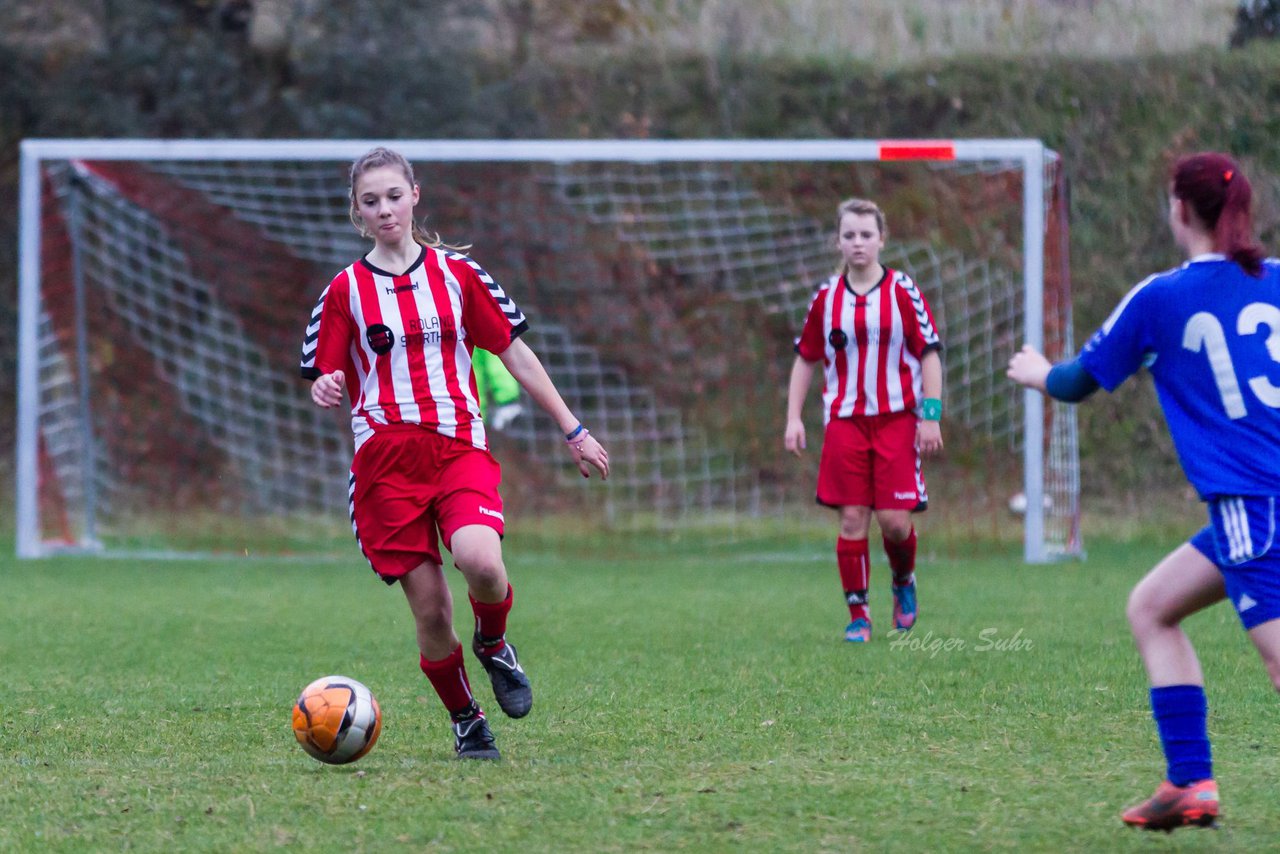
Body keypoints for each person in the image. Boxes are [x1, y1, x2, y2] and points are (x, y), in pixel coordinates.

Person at [300, 146, 609, 760]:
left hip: (457, 446)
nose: (384, 209)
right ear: (356, 214)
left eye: (393, 195)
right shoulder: (345, 292)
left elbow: (515, 353)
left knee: (484, 565)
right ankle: (467, 718)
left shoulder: (460, 276)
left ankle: (494, 645)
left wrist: (573, 429)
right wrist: (325, 385)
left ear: (415, 194)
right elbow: (323, 373)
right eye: (370, 201)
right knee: (434, 613)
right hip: (385, 467)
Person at [1008, 151, 1280, 832]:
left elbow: (1076, 382)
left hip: (1255, 503)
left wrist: (1039, 371)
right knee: (1153, 606)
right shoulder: (1277, 280)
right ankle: (1189, 782)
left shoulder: (1162, 296)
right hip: (1251, 509)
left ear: (1181, 210)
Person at [785, 198, 944, 643]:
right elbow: (805, 358)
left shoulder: (902, 291)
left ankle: (903, 581)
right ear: (838, 241)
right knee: (852, 519)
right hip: (845, 423)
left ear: (882, 239)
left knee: (894, 521)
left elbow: (929, 353)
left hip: (896, 421)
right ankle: (859, 615)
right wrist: (793, 418)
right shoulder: (826, 298)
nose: (858, 243)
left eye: (866, 234)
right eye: (849, 235)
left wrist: (930, 415)